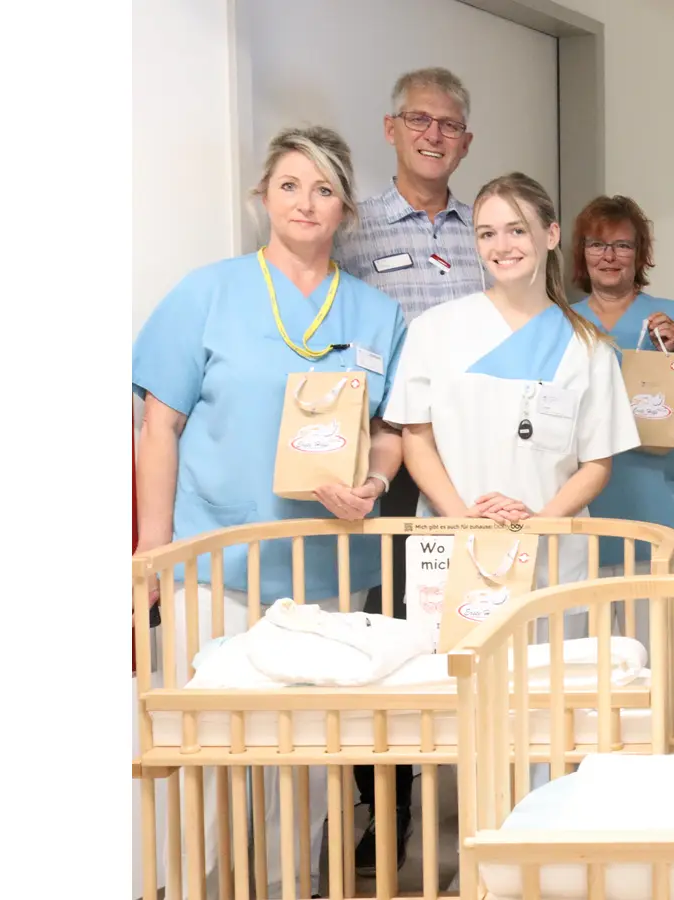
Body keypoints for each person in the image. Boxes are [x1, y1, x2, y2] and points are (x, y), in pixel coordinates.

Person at [132, 125, 407, 897]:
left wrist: (375, 485)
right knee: (209, 747)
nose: (305, 202)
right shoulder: (207, 293)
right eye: (289, 184)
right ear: (263, 197)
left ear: (345, 208)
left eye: (323, 188)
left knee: (310, 761)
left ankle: (294, 885)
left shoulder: (376, 314)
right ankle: (196, 886)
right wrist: (154, 549)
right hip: (211, 561)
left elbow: (387, 433)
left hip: (324, 566)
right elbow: (161, 425)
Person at [330, 66, 482, 869]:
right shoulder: (351, 231)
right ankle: (377, 809)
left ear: (466, 140)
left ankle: (481, 807)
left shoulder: (485, 229)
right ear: (390, 129)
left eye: (449, 124)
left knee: (472, 627)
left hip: (475, 468)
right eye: (418, 120)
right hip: (385, 463)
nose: (433, 134)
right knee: (385, 633)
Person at [382, 171, 640, 604]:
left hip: (548, 554)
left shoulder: (589, 348)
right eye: (487, 234)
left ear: (551, 234)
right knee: (453, 668)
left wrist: (535, 524)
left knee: (550, 669)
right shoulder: (434, 330)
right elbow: (417, 439)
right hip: (454, 545)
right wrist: (465, 518)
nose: (501, 247)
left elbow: (596, 464)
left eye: (517, 230)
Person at [570, 195, 674, 645]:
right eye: (597, 245)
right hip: (583, 518)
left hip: (658, 514)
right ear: (581, 254)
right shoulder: (563, 323)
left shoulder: (672, 319)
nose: (609, 257)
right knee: (583, 671)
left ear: (641, 254)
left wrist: (673, 357)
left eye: (622, 246)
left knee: (654, 669)